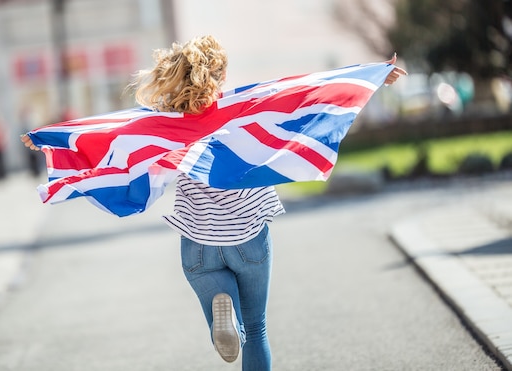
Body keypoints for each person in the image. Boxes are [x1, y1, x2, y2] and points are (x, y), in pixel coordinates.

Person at [21, 36, 407, 370]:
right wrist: (372, 76)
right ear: (219, 76)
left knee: (226, 314)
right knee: (257, 329)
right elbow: (309, 91)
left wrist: (46, 137)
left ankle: (220, 312)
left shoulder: (165, 122)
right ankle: (235, 324)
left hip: (199, 246)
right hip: (248, 238)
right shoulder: (245, 108)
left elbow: (111, 131)